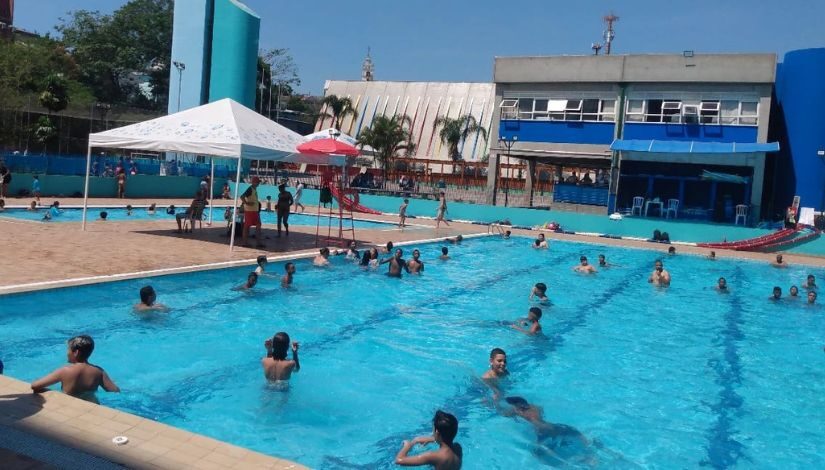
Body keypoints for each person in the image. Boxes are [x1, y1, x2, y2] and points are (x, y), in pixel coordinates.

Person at [499, 396, 592, 467]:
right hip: (554, 426)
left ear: (517, 406)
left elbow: (505, 414)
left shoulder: (521, 413)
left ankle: (563, 464)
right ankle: (589, 451)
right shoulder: (535, 407)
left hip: (543, 432)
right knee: (574, 433)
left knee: (536, 454)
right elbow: (541, 414)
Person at [30, 335, 120, 401]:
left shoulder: (65, 371)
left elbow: (35, 386)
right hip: (92, 405)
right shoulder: (99, 371)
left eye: (68, 350)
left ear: (76, 352)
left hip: (71, 406)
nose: (67, 353)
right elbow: (115, 391)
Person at [395, 410, 462, 470]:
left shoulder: (433, 456)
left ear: (437, 432)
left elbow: (399, 460)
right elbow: (446, 441)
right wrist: (433, 439)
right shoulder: (458, 448)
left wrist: (407, 446)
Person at [241, 177, 263, 247]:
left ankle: (257, 242)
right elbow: (242, 196)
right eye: (258, 182)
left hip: (253, 211)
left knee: (257, 225)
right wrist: (247, 203)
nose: (259, 183)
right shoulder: (250, 189)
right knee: (247, 226)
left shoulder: (253, 189)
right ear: (254, 182)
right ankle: (245, 243)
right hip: (250, 211)